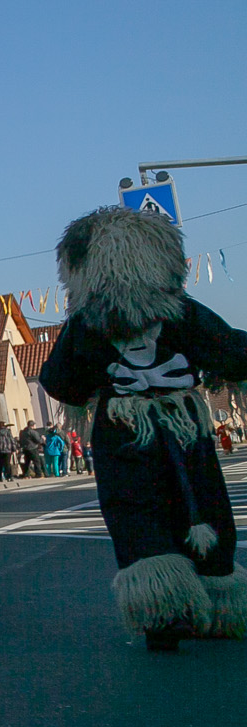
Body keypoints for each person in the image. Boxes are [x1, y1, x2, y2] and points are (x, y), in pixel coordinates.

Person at [40, 205, 247, 650]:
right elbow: (230, 350)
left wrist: (97, 382)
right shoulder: (183, 314)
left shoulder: (85, 327)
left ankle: (162, 611)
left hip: (123, 431)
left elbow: (60, 382)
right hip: (184, 425)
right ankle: (217, 600)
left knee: (137, 512)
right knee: (204, 502)